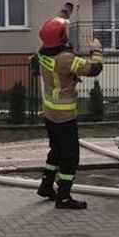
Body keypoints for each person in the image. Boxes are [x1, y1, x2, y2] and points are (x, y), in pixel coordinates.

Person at [35, 17, 103, 210]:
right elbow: (94, 68)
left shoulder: (42, 54)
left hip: (50, 114)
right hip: (65, 116)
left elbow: (55, 37)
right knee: (70, 157)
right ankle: (63, 196)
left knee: (56, 151)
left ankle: (46, 187)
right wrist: (96, 50)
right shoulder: (66, 60)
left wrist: (65, 13)